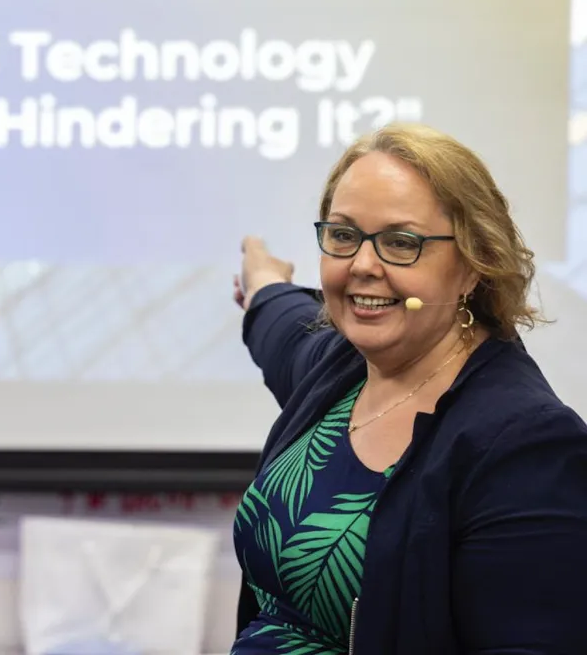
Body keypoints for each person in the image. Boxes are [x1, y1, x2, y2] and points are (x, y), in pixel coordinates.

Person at [228, 122, 587, 655]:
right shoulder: (340, 368)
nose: (363, 266)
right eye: (344, 236)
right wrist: (262, 283)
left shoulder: (527, 445)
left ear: (472, 265)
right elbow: (283, 324)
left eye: (401, 243)